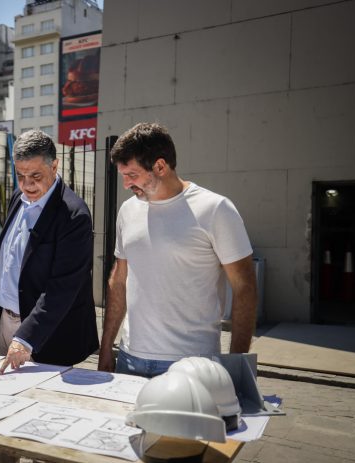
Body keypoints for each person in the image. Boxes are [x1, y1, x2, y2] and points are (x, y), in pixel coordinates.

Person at [98, 122, 257, 378]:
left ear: (160, 166)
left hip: (192, 366)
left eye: (132, 175)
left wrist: (237, 366)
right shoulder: (128, 211)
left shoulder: (216, 209)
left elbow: (245, 287)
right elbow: (119, 281)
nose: (126, 184)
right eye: (123, 176)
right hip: (129, 360)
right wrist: (106, 347)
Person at [0, 129, 99, 374]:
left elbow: (64, 286)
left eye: (36, 175)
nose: (27, 184)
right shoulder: (19, 195)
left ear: (55, 166)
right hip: (7, 323)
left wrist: (25, 338)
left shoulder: (74, 215)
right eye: (20, 175)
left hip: (46, 333)